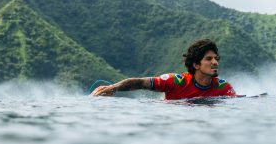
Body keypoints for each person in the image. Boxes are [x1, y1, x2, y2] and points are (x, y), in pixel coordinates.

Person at [90, 39, 237, 100]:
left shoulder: (224, 87)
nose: (215, 62)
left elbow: (236, 104)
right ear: (196, 65)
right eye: (209, 59)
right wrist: (113, 88)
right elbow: (140, 82)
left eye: (216, 58)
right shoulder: (176, 81)